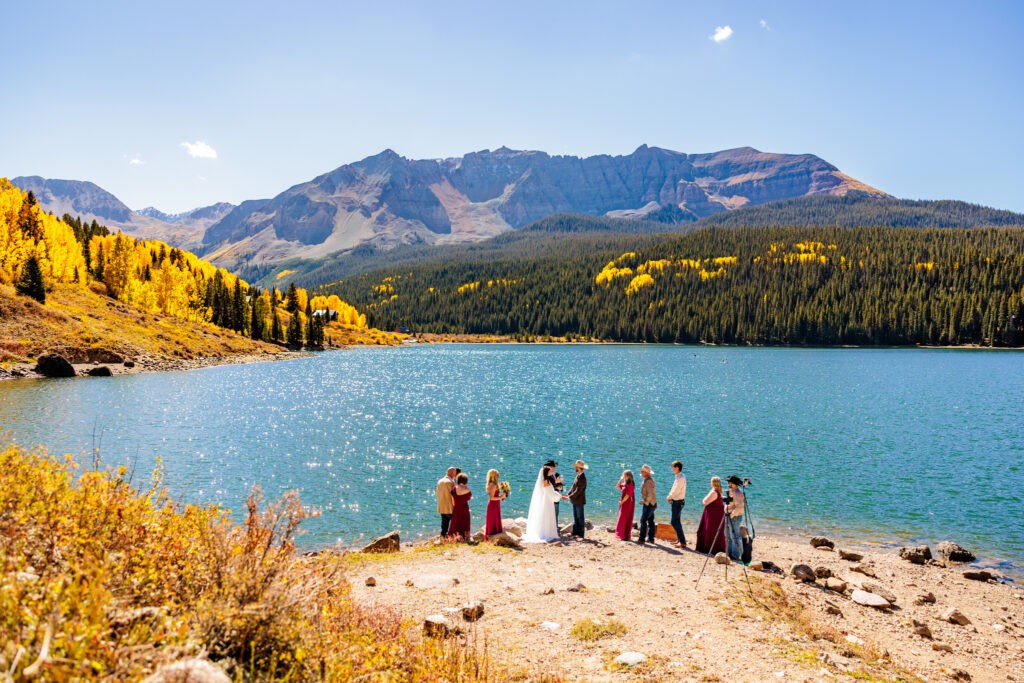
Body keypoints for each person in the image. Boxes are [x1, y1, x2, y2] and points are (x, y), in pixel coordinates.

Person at [523, 460, 562, 543]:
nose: (552, 471)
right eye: (550, 471)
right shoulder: (546, 481)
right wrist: (560, 496)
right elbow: (550, 493)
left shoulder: (545, 481)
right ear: (547, 472)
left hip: (546, 500)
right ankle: (546, 533)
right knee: (546, 516)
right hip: (547, 501)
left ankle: (544, 532)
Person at [695, 476, 727, 555]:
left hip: (712, 515)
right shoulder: (720, 491)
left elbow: (705, 502)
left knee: (708, 530)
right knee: (715, 531)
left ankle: (707, 548)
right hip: (717, 514)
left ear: (713, 483)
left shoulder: (714, 492)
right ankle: (715, 548)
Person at [562, 460, 588, 538]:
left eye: (576, 467)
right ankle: (575, 532)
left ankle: (580, 534)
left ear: (579, 468)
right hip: (575, 500)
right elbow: (573, 487)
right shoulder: (578, 476)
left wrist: (569, 497)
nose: (575, 468)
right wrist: (568, 494)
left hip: (579, 500)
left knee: (580, 517)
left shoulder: (583, 478)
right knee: (576, 517)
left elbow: (578, 490)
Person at [725, 475, 746, 561]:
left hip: (735, 517)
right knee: (729, 535)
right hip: (730, 515)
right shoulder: (732, 491)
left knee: (735, 535)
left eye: (730, 482)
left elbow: (739, 508)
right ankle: (729, 553)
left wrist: (731, 515)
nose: (728, 484)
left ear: (734, 484)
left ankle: (736, 555)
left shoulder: (737, 493)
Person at [666, 460, 687, 548]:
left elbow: (676, 490)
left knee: (674, 522)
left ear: (677, 468)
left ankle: (682, 541)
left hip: (678, 501)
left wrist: (669, 496)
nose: (672, 469)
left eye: (673, 467)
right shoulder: (679, 477)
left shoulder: (681, 478)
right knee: (676, 521)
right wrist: (670, 496)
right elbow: (674, 488)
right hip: (677, 501)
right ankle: (679, 540)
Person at [448, 473, 472, 541]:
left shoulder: (454, 488)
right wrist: (466, 486)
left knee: (455, 523)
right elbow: (469, 497)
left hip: (456, 508)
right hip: (465, 509)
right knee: (464, 523)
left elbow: (453, 500)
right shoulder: (467, 490)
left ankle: (453, 537)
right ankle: (465, 538)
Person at [637, 465, 657, 545]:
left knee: (643, 520)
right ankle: (651, 538)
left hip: (649, 504)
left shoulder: (648, 481)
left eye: (642, 471)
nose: (641, 473)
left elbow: (650, 494)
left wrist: (645, 501)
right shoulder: (648, 480)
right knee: (650, 521)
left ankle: (642, 539)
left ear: (646, 472)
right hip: (652, 503)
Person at [485, 468, 507, 538]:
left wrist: (502, 495)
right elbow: (491, 498)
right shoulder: (492, 485)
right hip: (493, 505)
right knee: (492, 520)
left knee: (496, 519)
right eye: (497, 475)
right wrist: (500, 497)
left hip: (496, 504)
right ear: (494, 476)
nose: (498, 476)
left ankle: (496, 535)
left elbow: (495, 496)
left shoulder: (494, 484)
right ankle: (492, 536)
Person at [615, 470, 635, 541]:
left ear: (629, 476)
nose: (624, 477)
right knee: (621, 518)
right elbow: (617, 486)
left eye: (625, 475)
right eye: (624, 475)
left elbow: (627, 495)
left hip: (627, 503)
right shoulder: (625, 484)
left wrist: (622, 502)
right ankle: (621, 534)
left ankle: (624, 535)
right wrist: (621, 479)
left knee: (624, 518)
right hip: (623, 503)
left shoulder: (630, 485)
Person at [436, 467, 456, 537]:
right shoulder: (451, 482)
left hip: (442, 505)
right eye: (455, 473)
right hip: (450, 506)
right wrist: (455, 505)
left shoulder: (440, 481)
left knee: (444, 525)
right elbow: (453, 495)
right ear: (452, 473)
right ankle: (454, 537)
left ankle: (442, 538)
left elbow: (437, 494)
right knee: (455, 523)